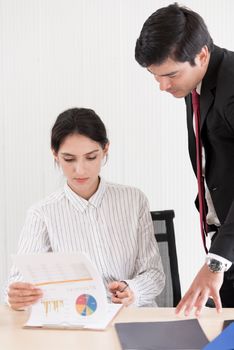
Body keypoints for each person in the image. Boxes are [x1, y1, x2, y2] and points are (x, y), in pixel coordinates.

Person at [6, 107, 165, 310]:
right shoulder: (42, 213)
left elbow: (154, 273)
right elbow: (19, 280)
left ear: (105, 149)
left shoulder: (134, 200)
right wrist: (19, 295)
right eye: (69, 159)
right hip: (79, 323)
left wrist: (133, 289)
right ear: (55, 154)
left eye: (91, 157)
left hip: (132, 318)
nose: (80, 170)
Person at [135, 3, 234, 315]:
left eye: (170, 75)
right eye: (155, 76)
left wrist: (217, 260)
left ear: (201, 55)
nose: (163, 86)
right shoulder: (195, 81)